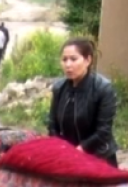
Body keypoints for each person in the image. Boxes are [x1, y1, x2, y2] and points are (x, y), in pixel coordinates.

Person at [46, 37, 120, 167]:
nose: (68, 65)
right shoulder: (59, 88)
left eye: (73, 59)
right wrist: (63, 149)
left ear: (88, 60)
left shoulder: (103, 89)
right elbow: (52, 125)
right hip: (67, 156)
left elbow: (103, 131)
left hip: (98, 156)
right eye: (64, 60)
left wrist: (80, 150)